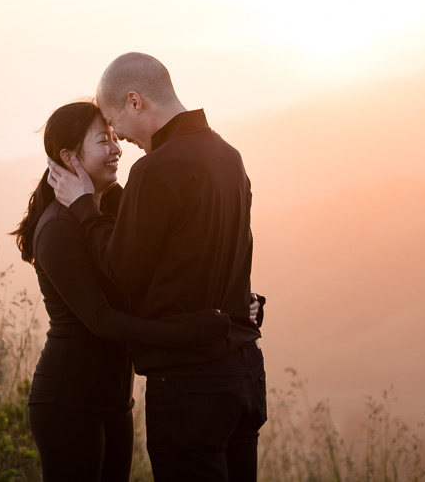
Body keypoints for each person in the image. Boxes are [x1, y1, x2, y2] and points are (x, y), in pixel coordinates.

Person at [47, 53, 267, 481]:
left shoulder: (155, 170)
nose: (119, 139)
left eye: (115, 123)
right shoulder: (230, 157)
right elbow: (227, 258)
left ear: (135, 101)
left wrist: (82, 207)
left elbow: (121, 274)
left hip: (190, 383)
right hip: (244, 372)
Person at [12, 100, 240, 482]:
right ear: (69, 157)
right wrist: (189, 332)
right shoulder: (57, 227)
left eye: (115, 137)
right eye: (104, 140)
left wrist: (230, 303)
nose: (117, 148)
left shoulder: (109, 214)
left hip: (116, 403)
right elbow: (101, 320)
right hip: (68, 402)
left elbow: (159, 274)